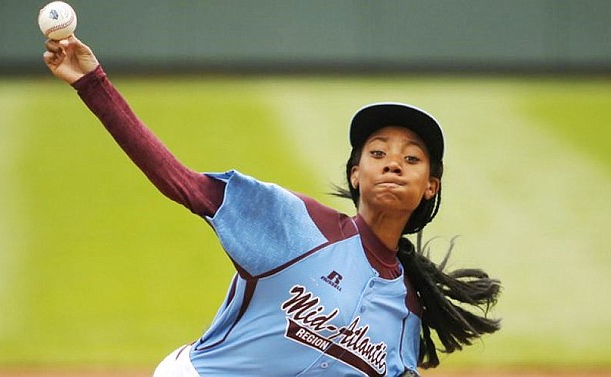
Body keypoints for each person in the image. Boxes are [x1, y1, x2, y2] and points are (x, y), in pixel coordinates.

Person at [43, 35, 501, 377]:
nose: (393, 165)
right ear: (355, 174)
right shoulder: (297, 226)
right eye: (377, 153)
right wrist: (92, 83)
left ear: (430, 187)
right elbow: (179, 182)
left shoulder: (405, 307)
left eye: (412, 158)